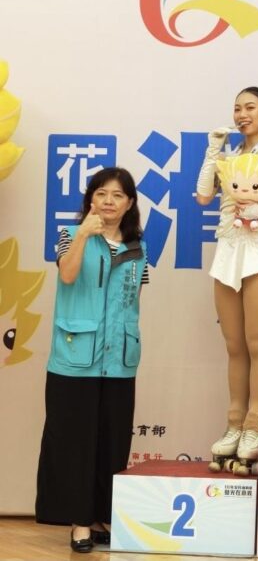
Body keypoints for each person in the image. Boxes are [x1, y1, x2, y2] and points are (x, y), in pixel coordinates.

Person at [36, 167, 149, 553]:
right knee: (75, 443)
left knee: (112, 442)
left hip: (119, 361)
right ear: (90, 200)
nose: (109, 201)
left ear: (129, 203)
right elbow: (67, 277)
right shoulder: (70, 235)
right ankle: (79, 522)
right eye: (101, 194)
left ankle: (101, 515)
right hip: (75, 358)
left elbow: (134, 301)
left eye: (117, 195)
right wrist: (84, 234)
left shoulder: (138, 247)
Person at [196, 86, 258, 466]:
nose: (242, 114)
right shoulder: (228, 158)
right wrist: (212, 152)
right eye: (237, 108)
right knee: (233, 345)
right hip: (228, 251)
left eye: (250, 107)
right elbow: (203, 197)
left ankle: (256, 424)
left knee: (257, 343)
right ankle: (234, 424)